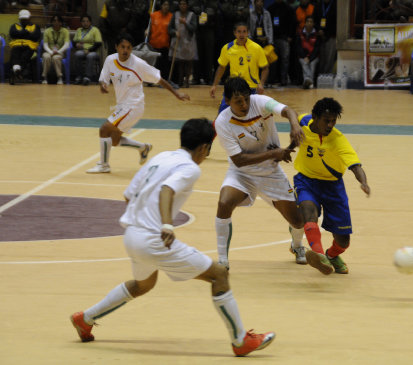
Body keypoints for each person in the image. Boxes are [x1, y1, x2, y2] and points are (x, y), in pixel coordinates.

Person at [71, 118, 275, 357]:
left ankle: (85, 319)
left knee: (143, 284)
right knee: (218, 275)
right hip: (152, 239)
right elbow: (167, 190)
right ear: (203, 148)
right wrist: (166, 223)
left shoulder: (160, 158)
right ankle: (240, 341)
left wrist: (145, 219)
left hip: (132, 235)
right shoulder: (189, 168)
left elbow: (129, 196)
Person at [213, 76, 306, 268]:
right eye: (238, 101)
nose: (244, 104)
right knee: (224, 202)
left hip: (271, 172)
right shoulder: (222, 122)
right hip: (242, 174)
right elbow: (239, 160)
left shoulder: (260, 102)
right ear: (228, 101)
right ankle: (222, 259)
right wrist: (274, 153)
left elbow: (287, 110)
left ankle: (296, 246)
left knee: (298, 221)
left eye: (246, 98)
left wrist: (294, 125)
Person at [86, 33, 190, 174]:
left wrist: (176, 93)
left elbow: (159, 79)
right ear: (116, 47)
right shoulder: (110, 60)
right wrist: (103, 85)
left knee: (104, 129)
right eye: (123, 47)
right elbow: (103, 78)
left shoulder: (138, 64)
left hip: (134, 106)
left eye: (129, 48)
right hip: (122, 106)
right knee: (114, 140)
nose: (125, 50)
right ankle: (143, 147)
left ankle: (104, 165)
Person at [291, 98, 370, 275]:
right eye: (326, 120)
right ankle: (319, 256)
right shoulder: (304, 121)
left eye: (333, 121)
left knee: (343, 241)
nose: (330, 125)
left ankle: (332, 255)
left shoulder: (338, 140)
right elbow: (292, 114)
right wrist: (292, 130)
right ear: (315, 118)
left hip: (333, 187)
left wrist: (363, 182)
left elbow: (356, 166)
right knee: (308, 213)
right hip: (306, 181)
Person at [210, 22, 269, 115]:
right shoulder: (227, 48)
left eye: (244, 31)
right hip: (233, 87)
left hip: (251, 88)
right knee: (222, 114)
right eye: (239, 32)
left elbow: (265, 68)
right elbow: (221, 67)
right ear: (235, 33)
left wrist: (261, 84)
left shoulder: (256, 48)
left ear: (248, 33)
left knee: (250, 117)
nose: (242, 34)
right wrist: (214, 85)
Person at [169, 0, 198, 88]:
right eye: (181, 4)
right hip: (179, 41)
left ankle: (187, 81)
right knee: (180, 62)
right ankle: (180, 81)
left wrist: (185, 23)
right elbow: (169, 28)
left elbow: (193, 28)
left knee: (189, 62)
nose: (182, 6)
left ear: (187, 5)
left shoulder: (192, 15)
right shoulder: (175, 14)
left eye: (184, 4)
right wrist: (174, 32)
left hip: (189, 42)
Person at [8, 9, 41, 85]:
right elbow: (13, 34)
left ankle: (15, 71)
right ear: (19, 19)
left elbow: (36, 36)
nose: (24, 21)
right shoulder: (14, 26)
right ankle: (18, 71)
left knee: (25, 55)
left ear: (29, 18)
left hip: (30, 47)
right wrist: (27, 33)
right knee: (14, 52)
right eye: (23, 19)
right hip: (17, 45)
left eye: (26, 19)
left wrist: (20, 33)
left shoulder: (35, 26)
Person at [189, 0, 218, 85]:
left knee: (209, 56)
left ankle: (208, 78)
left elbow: (217, 19)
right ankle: (196, 78)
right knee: (197, 55)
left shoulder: (213, 4)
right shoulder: (193, 4)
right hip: (197, 31)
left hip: (209, 31)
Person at [267, 0, 296, 86]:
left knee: (285, 59)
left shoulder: (288, 8)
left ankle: (284, 79)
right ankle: (273, 79)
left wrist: (290, 36)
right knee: (273, 60)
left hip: (285, 38)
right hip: (273, 38)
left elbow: (293, 23)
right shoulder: (270, 9)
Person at [146, 0, 173, 80]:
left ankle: (163, 80)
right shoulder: (154, 15)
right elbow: (149, 27)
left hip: (165, 45)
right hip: (154, 44)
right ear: (161, 6)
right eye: (164, 5)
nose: (166, 6)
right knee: (154, 65)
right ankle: (151, 80)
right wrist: (147, 30)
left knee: (164, 65)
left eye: (167, 5)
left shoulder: (171, 16)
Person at [73, 14, 103, 85]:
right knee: (77, 54)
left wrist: (89, 50)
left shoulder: (95, 30)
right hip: (82, 50)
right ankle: (79, 77)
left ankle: (87, 77)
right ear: (81, 23)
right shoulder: (79, 30)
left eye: (87, 21)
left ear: (90, 22)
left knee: (90, 56)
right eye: (83, 21)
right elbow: (74, 42)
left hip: (93, 51)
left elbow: (98, 43)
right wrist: (76, 45)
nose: (85, 23)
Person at [41, 14, 70, 85]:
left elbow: (66, 44)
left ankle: (59, 77)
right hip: (48, 51)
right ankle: (45, 77)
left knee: (56, 58)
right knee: (46, 57)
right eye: (54, 21)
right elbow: (45, 45)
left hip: (60, 52)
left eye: (58, 21)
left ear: (61, 23)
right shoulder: (47, 31)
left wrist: (58, 51)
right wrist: (51, 52)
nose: (56, 22)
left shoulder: (65, 31)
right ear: (52, 22)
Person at [313, 0, 337, 74]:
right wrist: (319, 30)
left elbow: (336, 22)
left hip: (331, 36)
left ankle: (328, 77)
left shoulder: (335, 6)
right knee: (321, 59)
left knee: (329, 59)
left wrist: (327, 33)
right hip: (320, 36)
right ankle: (321, 77)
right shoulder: (318, 5)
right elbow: (314, 20)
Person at [297, 15, 319, 89]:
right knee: (304, 63)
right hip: (303, 56)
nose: (309, 23)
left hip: (314, 56)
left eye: (311, 22)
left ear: (313, 24)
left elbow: (316, 49)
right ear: (305, 23)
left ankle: (307, 81)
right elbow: (299, 47)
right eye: (307, 21)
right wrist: (305, 57)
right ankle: (310, 83)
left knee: (312, 64)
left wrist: (310, 57)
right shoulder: (300, 33)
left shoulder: (317, 34)